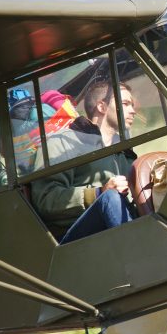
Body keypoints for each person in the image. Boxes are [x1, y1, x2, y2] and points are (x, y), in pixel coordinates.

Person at [31, 80, 137, 243]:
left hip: (118, 227)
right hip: (74, 239)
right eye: (125, 104)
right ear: (101, 107)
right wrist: (98, 193)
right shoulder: (61, 143)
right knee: (111, 198)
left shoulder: (123, 151)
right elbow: (46, 199)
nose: (133, 111)